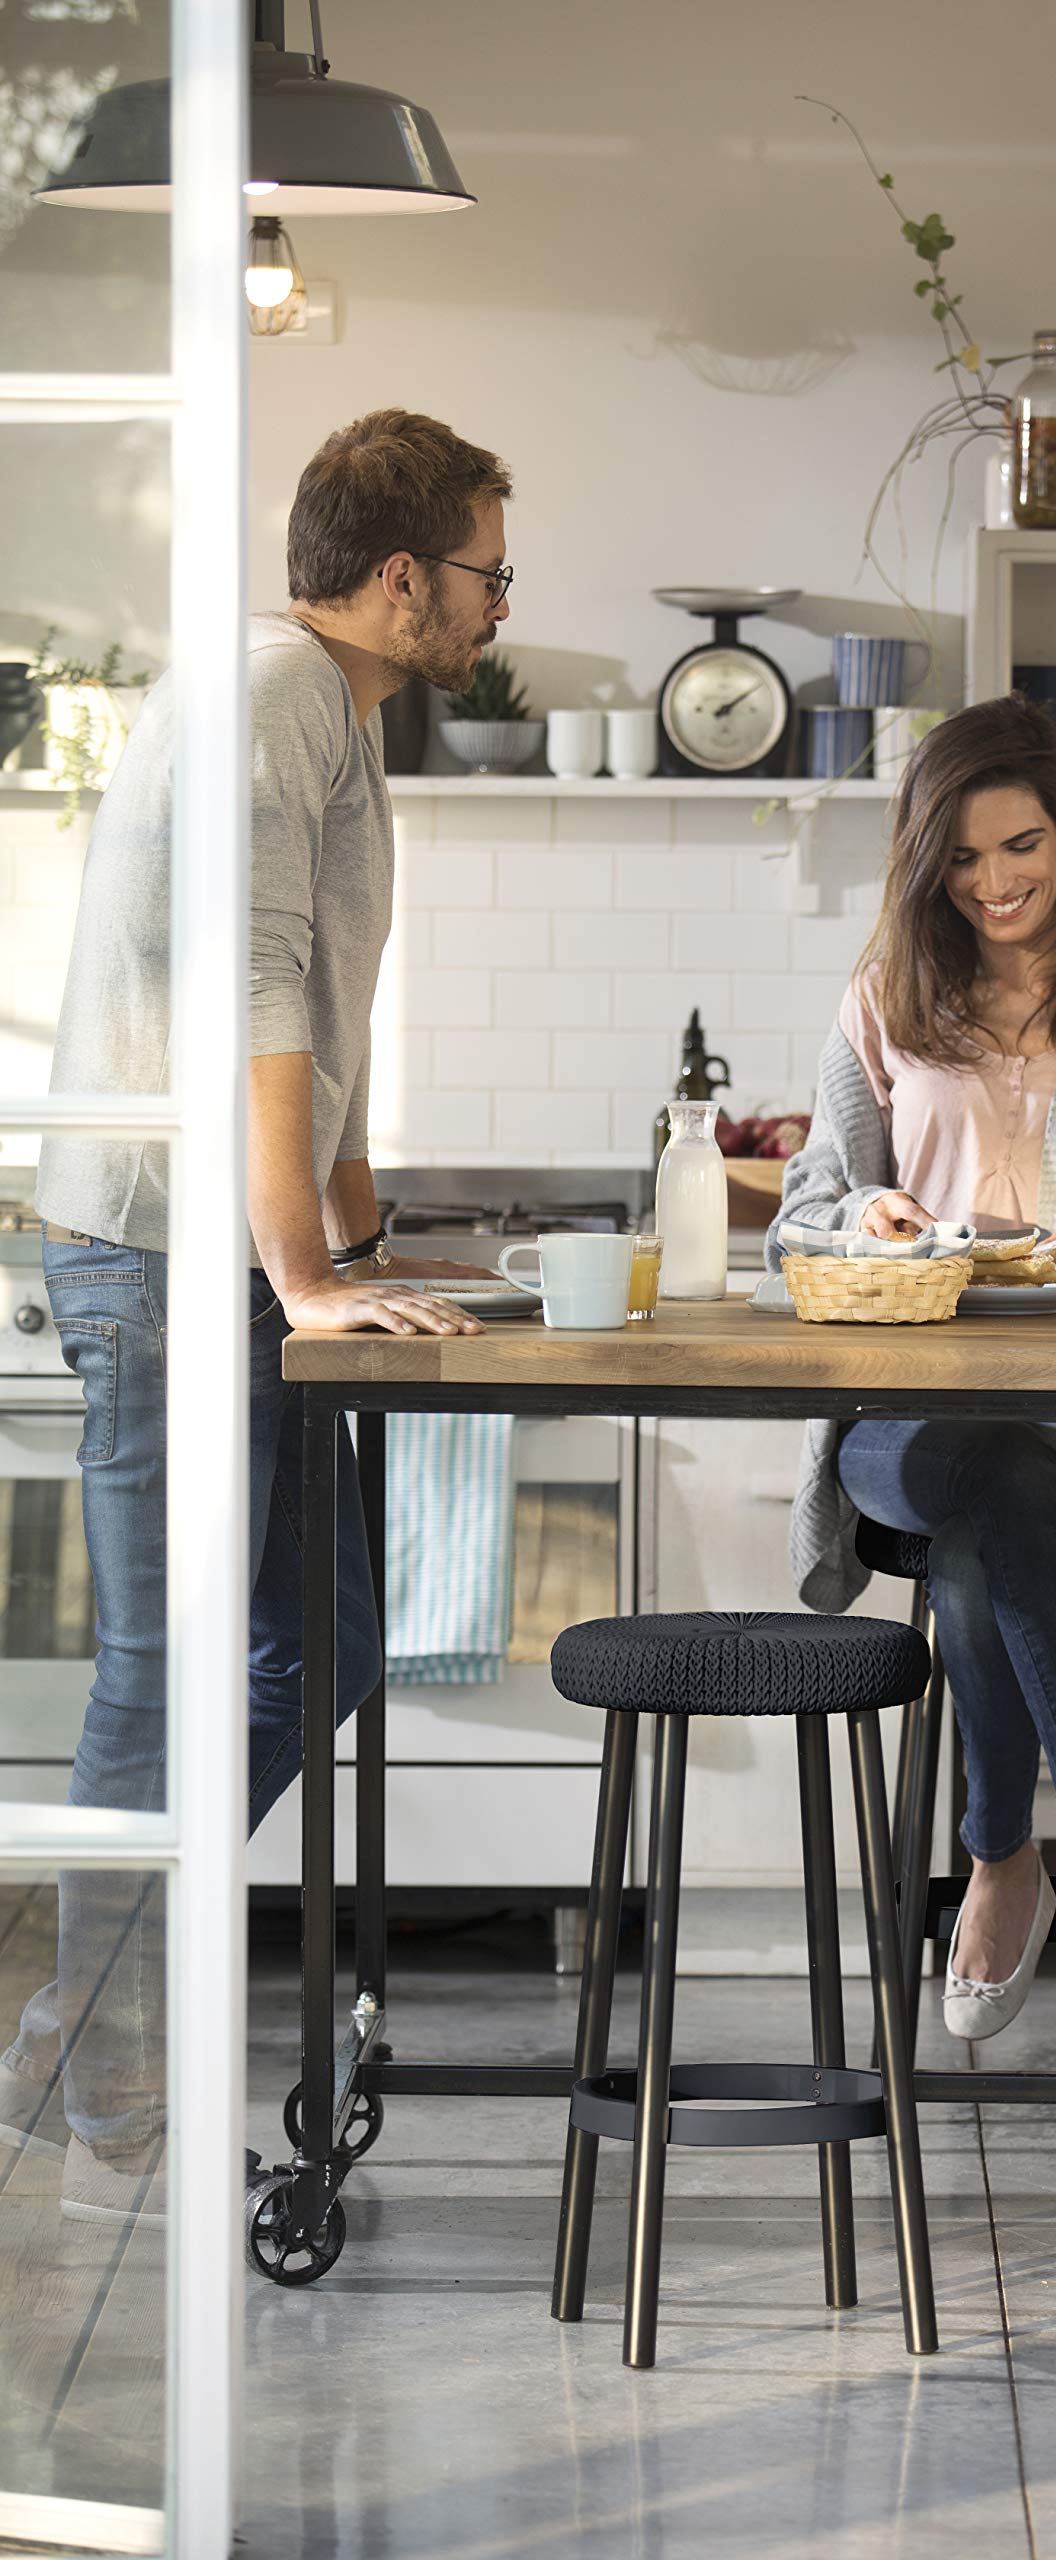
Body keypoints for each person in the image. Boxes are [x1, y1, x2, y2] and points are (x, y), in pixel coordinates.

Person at [4, 410, 511, 2221]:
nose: (495, 604)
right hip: (165, 1260)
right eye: (485, 571)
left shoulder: (331, 717)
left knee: (331, 1644)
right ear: (399, 579)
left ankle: (84, 2015)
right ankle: (100, 2044)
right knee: (165, 1661)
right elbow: (256, 1000)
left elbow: (325, 1025)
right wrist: (309, 1272)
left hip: (231, 1257)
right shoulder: (274, 697)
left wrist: (369, 1242)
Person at [770, 694, 1056, 2041]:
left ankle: (999, 1861)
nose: (993, 884)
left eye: (1019, 847)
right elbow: (806, 1207)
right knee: (974, 1467)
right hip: (901, 1419)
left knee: (995, 1501)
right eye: (961, 861)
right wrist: (868, 1214)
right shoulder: (882, 1005)